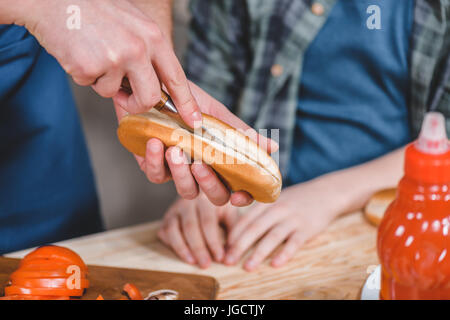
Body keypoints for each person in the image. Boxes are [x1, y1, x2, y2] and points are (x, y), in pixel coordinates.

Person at [158, 0, 450, 270]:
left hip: (395, 211)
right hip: (251, 214)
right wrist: (205, 179)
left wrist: (330, 195)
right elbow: (204, 95)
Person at [0, 0, 265, 254]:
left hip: (28, 73)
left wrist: (149, 60)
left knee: (67, 262)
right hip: (40, 20)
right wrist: (46, 6)